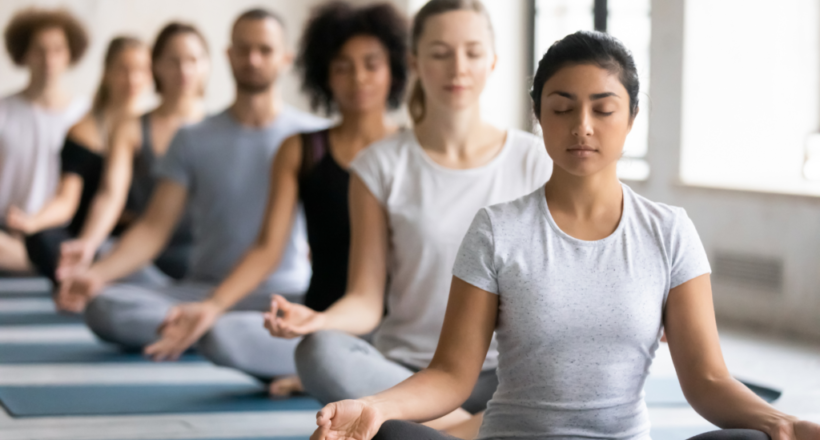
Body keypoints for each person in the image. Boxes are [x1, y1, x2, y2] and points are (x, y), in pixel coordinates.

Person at [305, 31, 820, 440]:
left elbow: (708, 381)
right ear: (539, 117)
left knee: (755, 439)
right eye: (563, 107)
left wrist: (783, 422)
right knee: (392, 436)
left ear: (632, 117)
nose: (583, 126)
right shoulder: (497, 229)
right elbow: (451, 376)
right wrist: (373, 407)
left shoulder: (670, 232)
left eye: (603, 107)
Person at [264, 0, 551, 433]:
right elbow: (365, 298)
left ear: (492, 61)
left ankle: (429, 428)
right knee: (318, 351)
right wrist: (318, 320)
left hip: (508, 377)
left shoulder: (535, 160)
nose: (458, 67)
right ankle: (474, 429)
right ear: (415, 62)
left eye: (472, 52)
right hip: (408, 376)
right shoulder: (378, 165)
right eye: (440, 53)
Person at [140, 1, 409, 397]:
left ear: (394, 69)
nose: (358, 78)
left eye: (372, 64)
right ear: (324, 75)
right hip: (319, 325)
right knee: (221, 334)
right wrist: (212, 305)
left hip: (398, 329)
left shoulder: (411, 148)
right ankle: (335, 372)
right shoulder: (301, 149)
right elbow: (268, 247)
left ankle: (340, 375)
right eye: (342, 66)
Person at [57, 8, 327, 381]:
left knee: (280, 328)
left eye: (264, 50)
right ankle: (216, 329)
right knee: (104, 307)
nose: (252, 59)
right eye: (243, 49)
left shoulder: (312, 136)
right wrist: (95, 275)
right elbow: (153, 228)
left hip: (283, 296)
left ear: (285, 58)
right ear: (228, 55)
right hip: (202, 288)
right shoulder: (193, 138)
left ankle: (214, 329)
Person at [55, 22, 211, 293]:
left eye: (193, 60)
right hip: (143, 259)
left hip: (204, 257)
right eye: (173, 61)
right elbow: (110, 195)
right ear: (156, 66)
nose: (184, 70)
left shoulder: (218, 130)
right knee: (102, 298)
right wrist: (88, 243)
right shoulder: (131, 128)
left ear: (206, 65)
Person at [5, 36, 151, 284]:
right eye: (123, 70)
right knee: (43, 240)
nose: (132, 79)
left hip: (135, 239)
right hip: (89, 236)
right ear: (106, 73)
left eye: (140, 70)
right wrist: (33, 222)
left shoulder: (155, 130)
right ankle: (85, 268)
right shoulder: (84, 130)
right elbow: (67, 199)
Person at [0, 8, 89, 273]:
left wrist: (34, 222)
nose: (49, 60)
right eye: (39, 50)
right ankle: (43, 265)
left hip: (57, 233)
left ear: (70, 54)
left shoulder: (84, 116)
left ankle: (41, 262)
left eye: (58, 50)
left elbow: (74, 195)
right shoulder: (5, 111)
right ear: (24, 54)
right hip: (6, 227)